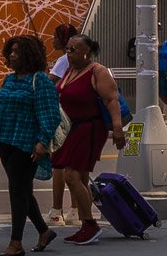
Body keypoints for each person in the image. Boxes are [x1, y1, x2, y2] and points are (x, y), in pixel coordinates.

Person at [0, 33, 58, 256]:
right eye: (11, 51)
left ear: (29, 55)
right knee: (23, 192)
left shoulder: (41, 80)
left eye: (18, 52)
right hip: (5, 141)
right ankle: (44, 231)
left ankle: (16, 243)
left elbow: (50, 114)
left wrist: (42, 141)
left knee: (17, 192)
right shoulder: (9, 79)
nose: (13, 55)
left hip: (26, 144)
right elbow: (0, 112)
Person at [51, 34, 120, 244]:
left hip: (89, 128)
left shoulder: (97, 71)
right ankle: (85, 225)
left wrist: (117, 128)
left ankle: (90, 224)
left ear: (86, 52)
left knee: (70, 175)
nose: (68, 53)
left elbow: (111, 99)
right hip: (71, 129)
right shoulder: (70, 70)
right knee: (78, 177)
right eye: (68, 49)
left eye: (73, 49)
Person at [44, 22, 80, 224]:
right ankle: (76, 210)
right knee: (75, 164)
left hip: (62, 116)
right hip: (78, 115)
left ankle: (57, 211)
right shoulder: (83, 59)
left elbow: (48, 84)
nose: (53, 40)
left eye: (56, 36)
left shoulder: (63, 60)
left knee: (58, 164)